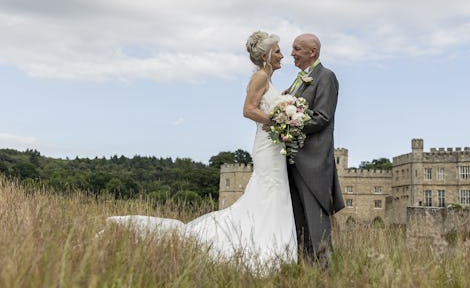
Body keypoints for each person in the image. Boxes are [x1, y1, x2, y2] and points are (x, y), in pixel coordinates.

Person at [107, 31, 297, 271]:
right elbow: (248, 110)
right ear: (265, 56)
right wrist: (278, 120)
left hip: (274, 145)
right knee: (268, 190)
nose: (283, 55)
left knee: (272, 193)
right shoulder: (259, 77)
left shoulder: (269, 81)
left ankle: (275, 242)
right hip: (266, 145)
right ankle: (266, 245)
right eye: (278, 51)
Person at [286, 33, 345, 268]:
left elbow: (322, 117)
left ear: (313, 52)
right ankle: (305, 271)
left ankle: (324, 274)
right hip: (294, 160)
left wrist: (287, 122)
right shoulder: (299, 80)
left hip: (313, 163)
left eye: (297, 48)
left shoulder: (326, 77)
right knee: (299, 221)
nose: (292, 53)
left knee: (316, 222)